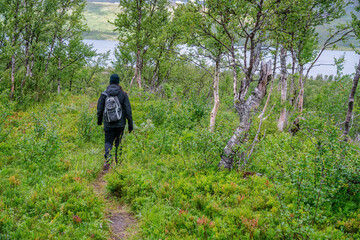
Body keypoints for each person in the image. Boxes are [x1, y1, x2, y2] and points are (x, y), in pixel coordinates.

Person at [97, 74, 133, 170]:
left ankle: (108, 160)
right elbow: (128, 110)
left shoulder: (104, 94)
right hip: (120, 124)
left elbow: (99, 110)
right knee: (119, 141)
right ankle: (118, 160)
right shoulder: (123, 94)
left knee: (108, 141)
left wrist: (99, 121)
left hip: (108, 123)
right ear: (118, 82)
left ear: (110, 82)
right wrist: (130, 124)